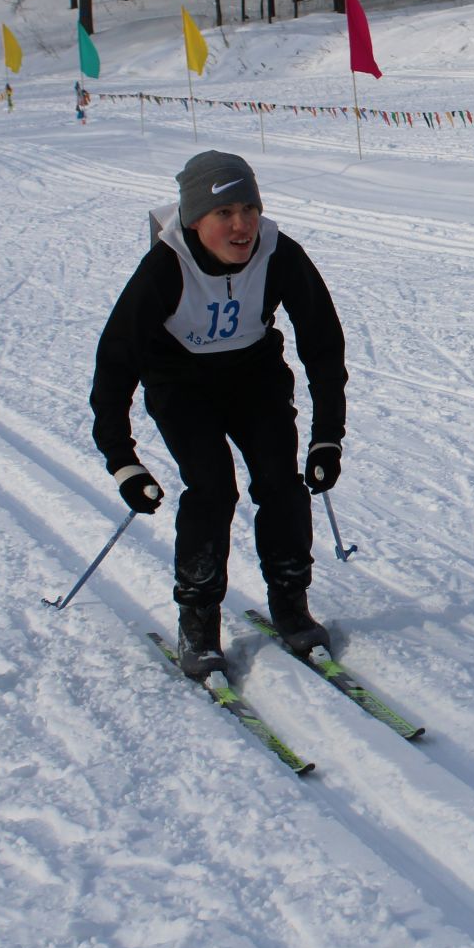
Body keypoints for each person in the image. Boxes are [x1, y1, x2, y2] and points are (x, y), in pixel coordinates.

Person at [90, 150, 348, 677]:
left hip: (253, 378)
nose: (242, 225)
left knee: (281, 482)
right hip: (181, 384)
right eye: (224, 213)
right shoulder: (165, 267)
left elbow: (322, 344)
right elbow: (115, 365)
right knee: (213, 488)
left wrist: (328, 436)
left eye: (249, 208)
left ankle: (291, 603)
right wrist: (123, 461)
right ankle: (199, 619)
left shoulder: (279, 252)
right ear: (193, 220)